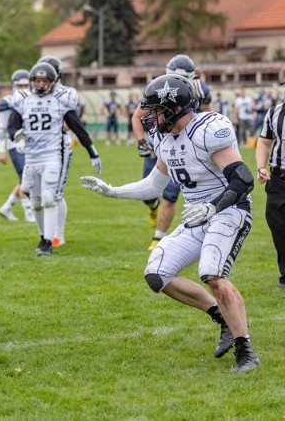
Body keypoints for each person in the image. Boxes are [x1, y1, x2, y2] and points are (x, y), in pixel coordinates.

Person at [80, 74, 259, 374]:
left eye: (156, 110)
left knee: (213, 275)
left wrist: (212, 206)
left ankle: (246, 351)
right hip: (195, 215)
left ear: (175, 107)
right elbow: (153, 185)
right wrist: (113, 191)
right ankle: (222, 319)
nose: (150, 116)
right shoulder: (165, 138)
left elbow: (243, 179)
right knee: (156, 274)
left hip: (229, 210)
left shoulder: (208, 129)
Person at [8, 62, 101, 256]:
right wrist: (17, 135)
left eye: (45, 80)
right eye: (38, 80)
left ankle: (48, 242)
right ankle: (43, 236)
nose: (41, 84)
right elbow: (12, 126)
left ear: (53, 81)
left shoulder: (61, 99)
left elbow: (76, 125)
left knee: (49, 198)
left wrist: (91, 150)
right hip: (32, 157)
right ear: (32, 81)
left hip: (51, 155)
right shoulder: (23, 99)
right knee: (35, 202)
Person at [133, 53, 211, 251]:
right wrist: (141, 142)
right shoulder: (159, 87)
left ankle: (158, 237)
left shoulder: (200, 90)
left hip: (185, 147)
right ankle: (152, 208)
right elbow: (137, 116)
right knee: (148, 194)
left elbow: (209, 115)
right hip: (158, 145)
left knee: (170, 195)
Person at [36, 55, 93, 248]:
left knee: (54, 194)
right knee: (36, 193)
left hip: (59, 146)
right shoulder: (36, 94)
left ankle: (56, 235)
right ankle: (46, 234)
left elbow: (70, 122)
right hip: (37, 148)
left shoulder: (66, 94)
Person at [0, 69, 35, 223]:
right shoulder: (8, 101)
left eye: (26, 85)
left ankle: (7, 207)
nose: (24, 88)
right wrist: (1, 150)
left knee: (25, 179)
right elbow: (2, 128)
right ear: (14, 86)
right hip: (15, 145)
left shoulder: (34, 99)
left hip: (30, 146)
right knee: (26, 179)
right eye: (20, 85)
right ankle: (29, 212)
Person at [256, 96, 285, 287]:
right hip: (278, 178)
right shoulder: (275, 112)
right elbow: (264, 142)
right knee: (278, 227)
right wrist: (261, 167)